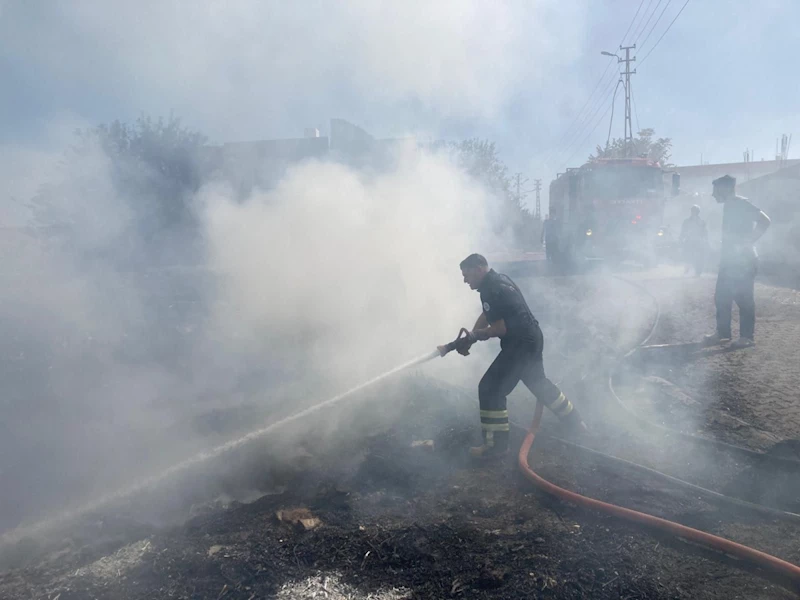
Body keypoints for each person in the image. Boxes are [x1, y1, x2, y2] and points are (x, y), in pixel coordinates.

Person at [441, 253, 587, 459]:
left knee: (490, 389)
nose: (465, 280)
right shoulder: (501, 280)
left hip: (519, 346)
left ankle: (496, 447)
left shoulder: (491, 289)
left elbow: (500, 328)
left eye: (467, 275)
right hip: (533, 338)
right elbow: (488, 314)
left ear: (479, 269)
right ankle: (575, 422)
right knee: (538, 382)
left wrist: (476, 335)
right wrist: (472, 336)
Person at [703, 175, 770, 349]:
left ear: (725, 189)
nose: (713, 195)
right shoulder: (729, 206)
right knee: (721, 297)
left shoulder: (741, 203)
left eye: (715, 190)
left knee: (744, 298)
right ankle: (723, 333)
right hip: (730, 261)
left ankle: (747, 337)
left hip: (744, 261)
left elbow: (765, 220)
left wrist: (748, 242)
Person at [679, 205, 708, 276]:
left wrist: (705, 239)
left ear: (698, 212)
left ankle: (698, 271)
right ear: (691, 212)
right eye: (693, 211)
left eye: (696, 211)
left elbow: (705, 232)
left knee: (700, 256)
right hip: (689, 240)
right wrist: (681, 238)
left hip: (699, 241)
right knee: (687, 254)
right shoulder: (686, 221)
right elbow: (683, 231)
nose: (694, 212)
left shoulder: (702, 222)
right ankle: (687, 268)